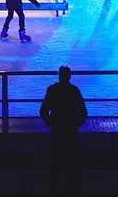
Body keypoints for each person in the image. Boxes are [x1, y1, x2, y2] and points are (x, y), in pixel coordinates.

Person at [38, 65, 87, 195]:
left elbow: (43, 110)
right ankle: (71, 185)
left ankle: (53, 184)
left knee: (55, 154)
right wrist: (77, 123)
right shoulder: (74, 90)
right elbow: (83, 111)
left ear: (59, 75)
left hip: (57, 126)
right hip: (71, 127)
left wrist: (50, 122)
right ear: (69, 76)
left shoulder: (53, 90)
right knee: (71, 155)